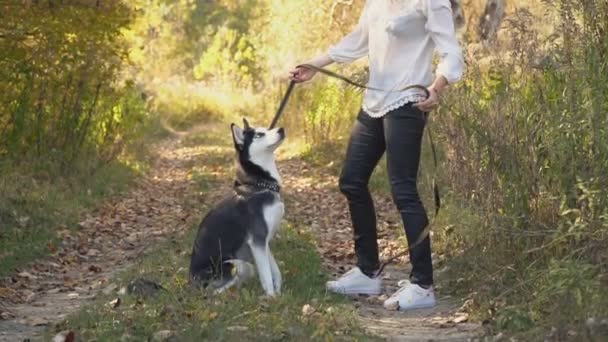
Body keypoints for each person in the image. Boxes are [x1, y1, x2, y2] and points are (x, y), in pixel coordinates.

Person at [289, 0, 464, 311]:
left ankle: (423, 284)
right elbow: (357, 40)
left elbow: (451, 52)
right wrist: (313, 65)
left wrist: (437, 87)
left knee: (404, 191)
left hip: (409, 102)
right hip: (374, 102)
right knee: (351, 181)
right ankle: (367, 271)